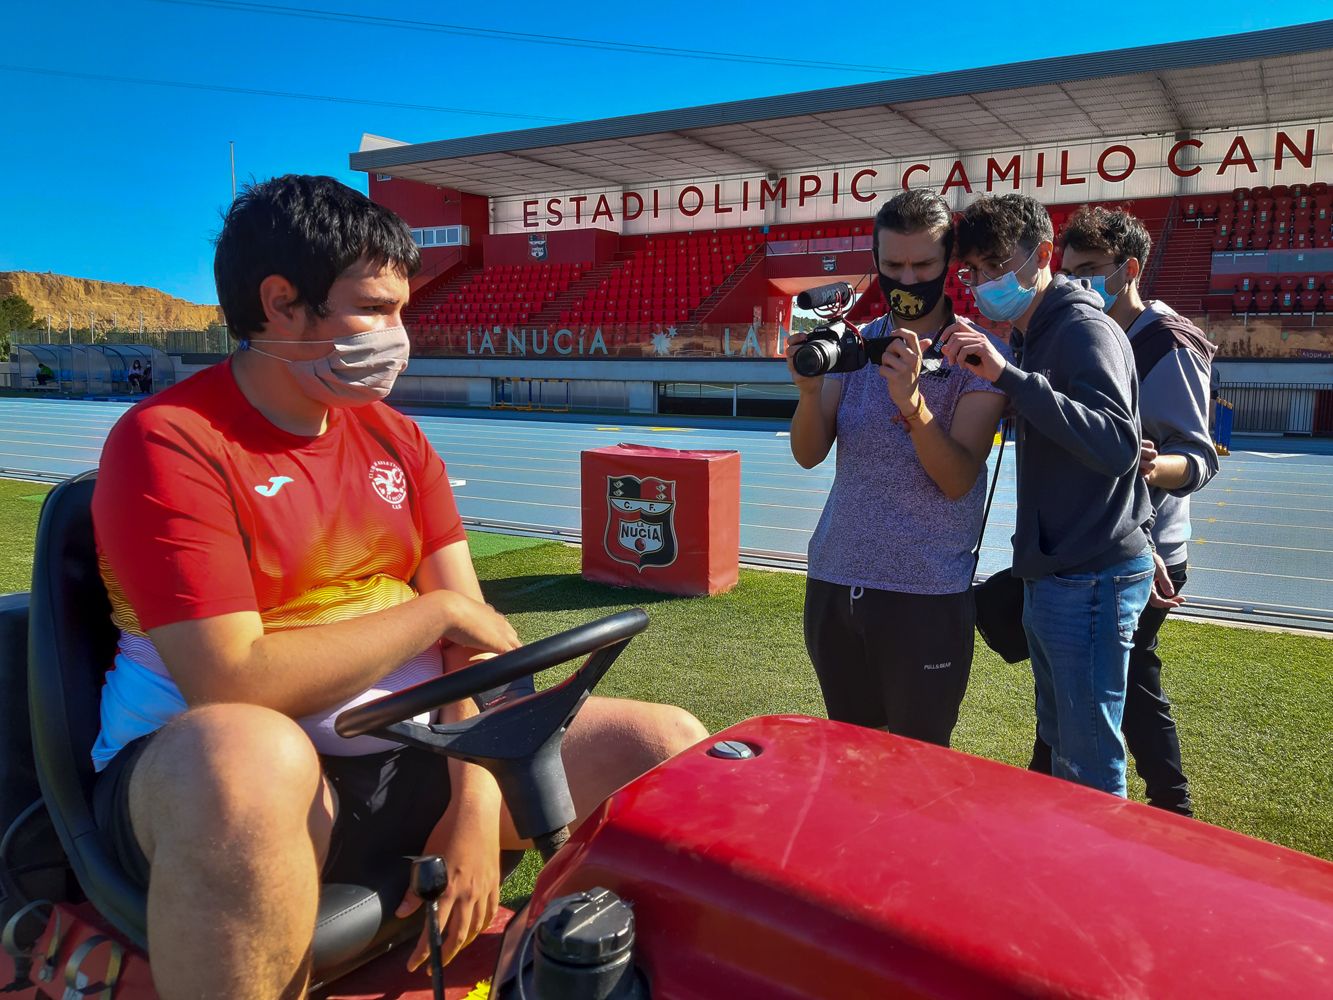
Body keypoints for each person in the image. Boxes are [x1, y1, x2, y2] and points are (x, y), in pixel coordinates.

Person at [90, 174, 708, 999]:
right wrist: (436, 611)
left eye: (401, 311)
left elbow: (474, 647)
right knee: (247, 754)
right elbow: (229, 680)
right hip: (215, 782)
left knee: (662, 747)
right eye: (375, 309)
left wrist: (476, 801)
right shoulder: (171, 441)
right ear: (282, 303)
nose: (397, 335)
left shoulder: (397, 439)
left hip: (415, 750)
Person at [940, 193, 1170, 798]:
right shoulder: (1036, 328)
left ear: (1042, 255)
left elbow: (1119, 444)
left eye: (995, 266)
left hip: (1090, 577)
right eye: (973, 272)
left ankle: (1096, 882)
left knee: (1089, 759)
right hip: (1063, 570)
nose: (984, 283)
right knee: (1062, 738)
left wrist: (1009, 377)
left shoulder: (1078, 327)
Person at [787, 190, 1007, 747]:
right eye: (893, 266)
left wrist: (912, 403)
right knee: (851, 751)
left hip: (924, 594)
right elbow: (808, 453)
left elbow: (957, 479)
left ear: (948, 265)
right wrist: (810, 393)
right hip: (835, 580)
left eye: (924, 264)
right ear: (876, 264)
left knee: (918, 760)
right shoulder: (854, 344)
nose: (908, 279)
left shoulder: (978, 356)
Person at [1036, 205, 1217, 816]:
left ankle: (1171, 806)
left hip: (1140, 551)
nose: (1074, 284)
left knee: (1120, 687)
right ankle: (1154, 805)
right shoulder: (1075, 332)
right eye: (1067, 272)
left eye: (1089, 271)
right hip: (1085, 543)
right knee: (1092, 687)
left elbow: (1197, 460)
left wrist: (1146, 468)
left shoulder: (1166, 341)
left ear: (1130, 270)